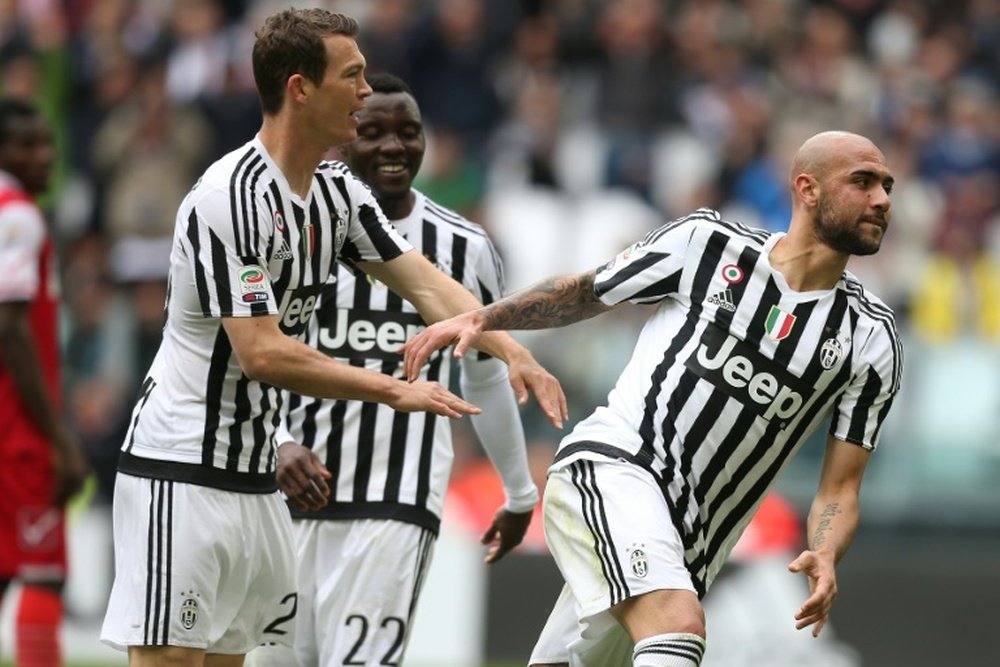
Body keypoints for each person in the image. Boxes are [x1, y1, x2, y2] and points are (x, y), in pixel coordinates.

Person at [99, 9, 566, 667]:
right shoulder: (230, 196)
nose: (367, 91)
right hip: (183, 471)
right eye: (353, 76)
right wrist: (392, 391)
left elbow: (427, 285)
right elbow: (262, 351)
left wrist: (512, 348)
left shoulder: (333, 198)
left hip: (257, 487)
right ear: (300, 90)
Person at [402, 130, 903, 667]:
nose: (882, 199)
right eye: (863, 181)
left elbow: (841, 487)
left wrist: (825, 551)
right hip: (615, 469)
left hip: (691, 549)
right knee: (678, 627)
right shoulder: (707, 244)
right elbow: (586, 292)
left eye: (887, 186)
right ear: (807, 188)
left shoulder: (872, 337)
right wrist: (486, 316)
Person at [246, 71, 538, 667]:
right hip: (286, 492)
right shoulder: (290, 227)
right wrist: (275, 441)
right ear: (342, 135)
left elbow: (482, 373)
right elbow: (247, 350)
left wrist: (517, 489)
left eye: (408, 132)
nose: (393, 147)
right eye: (373, 131)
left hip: (397, 500)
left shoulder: (465, 247)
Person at [0, 98, 89, 666]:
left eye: (48, 143)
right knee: (43, 573)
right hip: (18, 434)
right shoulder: (19, 215)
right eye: (28, 145)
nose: (46, 157)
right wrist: (59, 440)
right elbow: (10, 330)